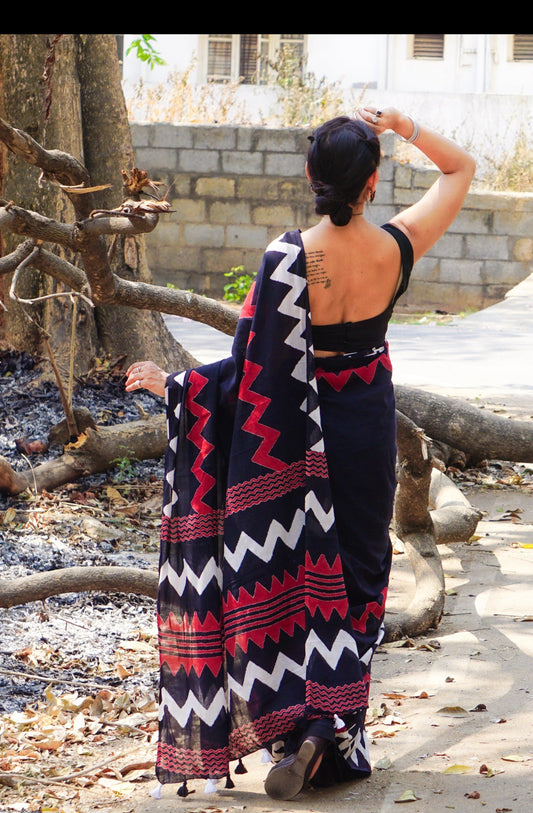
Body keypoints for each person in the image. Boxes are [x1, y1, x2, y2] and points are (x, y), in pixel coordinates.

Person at [125, 107, 475, 801]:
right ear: (372, 183)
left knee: (292, 576)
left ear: (310, 177)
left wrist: (178, 390)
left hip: (295, 443)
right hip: (365, 431)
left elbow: (249, 370)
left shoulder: (287, 258)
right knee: (356, 583)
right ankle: (330, 725)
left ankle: (301, 726)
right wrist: (404, 124)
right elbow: (460, 168)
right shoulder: (394, 249)